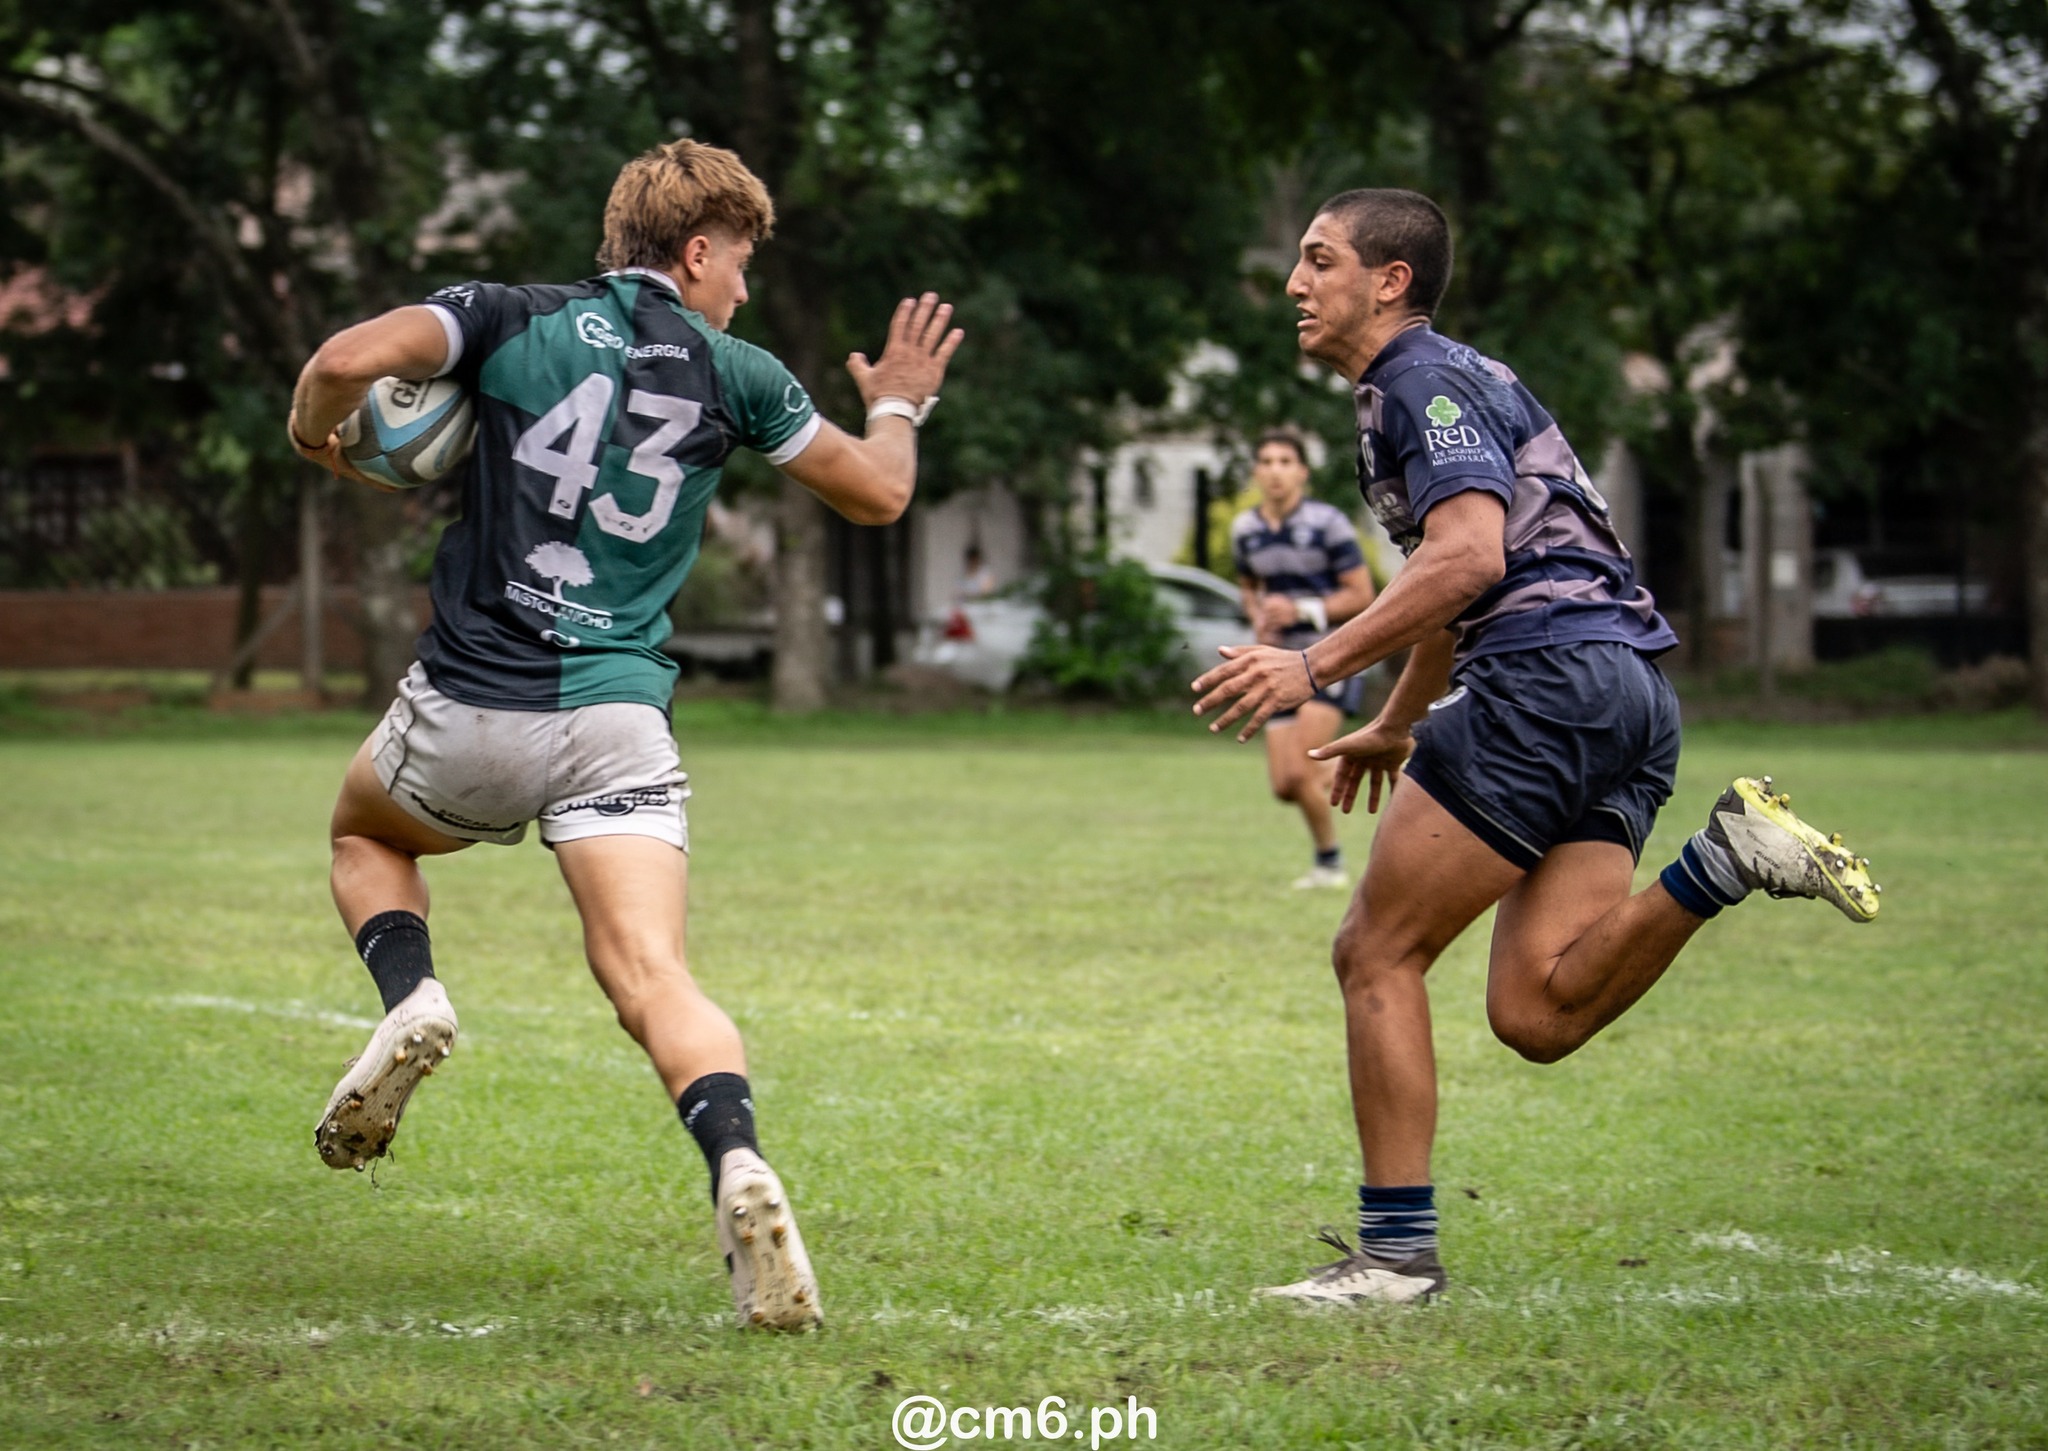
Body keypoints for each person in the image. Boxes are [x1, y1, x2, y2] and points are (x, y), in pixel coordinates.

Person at [286, 138, 962, 1332]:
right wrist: (898, 403)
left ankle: (411, 995)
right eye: (739, 263)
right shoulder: (734, 369)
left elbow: (344, 360)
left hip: (470, 705)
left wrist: (318, 437)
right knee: (652, 974)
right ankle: (738, 1160)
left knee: (359, 832)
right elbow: (879, 491)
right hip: (616, 722)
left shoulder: (504, 315)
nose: (743, 288)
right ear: (696, 252)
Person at [1191, 188, 1879, 1305]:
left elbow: (1466, 563)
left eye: (1318, 261)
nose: (1293, 284)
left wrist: (1312, 667)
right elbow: (1459, 580)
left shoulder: (1415, 380)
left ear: (1388, 280)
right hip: (1628, 694)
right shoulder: (1456, 380)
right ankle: (1728, 857)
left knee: (1374, 952)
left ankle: (1396, 1257)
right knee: (1535, 1011)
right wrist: (1400, 720)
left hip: (1545, 682)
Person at [1230, 429, 1376, 889]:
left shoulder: (1327, 524)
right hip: (1278, 662)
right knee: (1285, 785)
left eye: (1285, 461)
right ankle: (1360, 764)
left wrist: (1301, 610)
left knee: (1300, 771)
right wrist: (1258, 618)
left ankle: (1329, 863)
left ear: (1302, 472)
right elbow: (1250, 587)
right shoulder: (1247, 530)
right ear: (1256, 471)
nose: (1275, 470)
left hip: (1329, 657)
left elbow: (1362, 595)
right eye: (1267, 461)